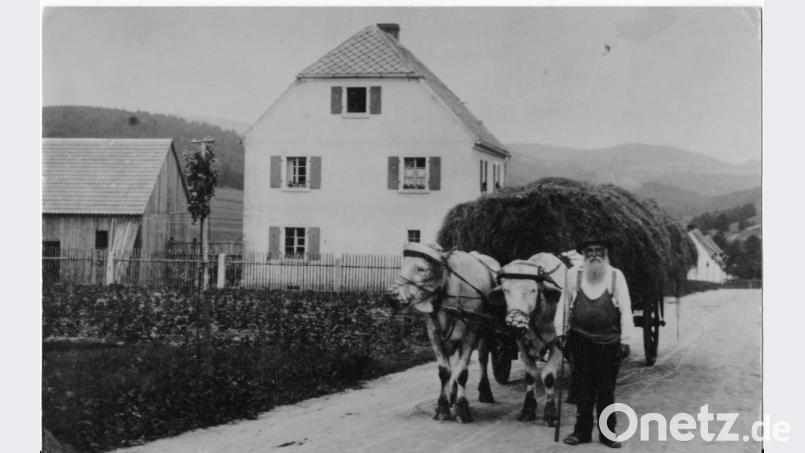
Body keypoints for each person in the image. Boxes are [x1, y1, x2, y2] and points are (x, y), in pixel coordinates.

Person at [554, 237, 635, 449]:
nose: (594, 254)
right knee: (583, 387)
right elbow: (564, 304)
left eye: (599, 250)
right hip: (580, 341)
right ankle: (581, 432)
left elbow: (626, 309)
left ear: (606, 252)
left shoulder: (616, 276)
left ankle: (608, 434)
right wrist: (561, 333)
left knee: (606, 389)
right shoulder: (574, 275)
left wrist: (625, 340)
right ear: (583, 253)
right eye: (589, 250)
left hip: (609, 342)